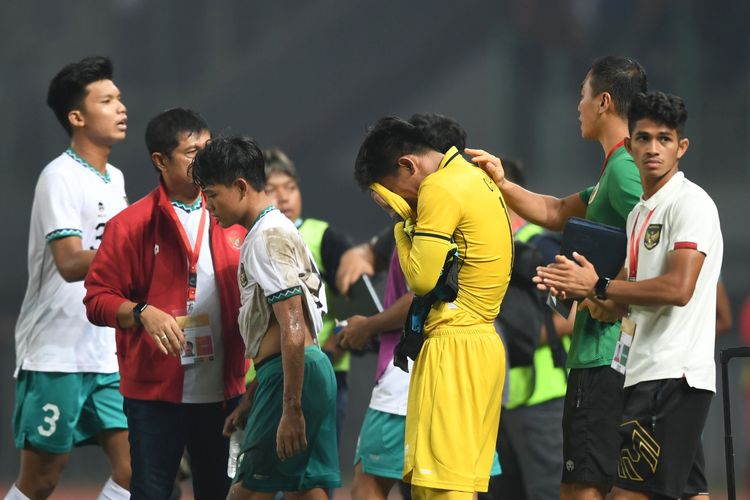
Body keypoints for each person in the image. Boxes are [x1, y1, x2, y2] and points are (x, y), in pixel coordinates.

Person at [468, 55, 647, 500]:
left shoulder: (626, 170)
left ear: (604, 102)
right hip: (598, 356)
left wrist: (600, 290)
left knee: (582, 489)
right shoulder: (613, 170)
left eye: (582, 96)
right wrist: (502, 183)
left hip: (606, 356)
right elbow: (556, 211)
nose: (578, 106)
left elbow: (655, 239)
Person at [535, 91, 721, 500]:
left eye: (664, 139)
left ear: (681, 147)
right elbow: (617, 304)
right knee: (691, 494)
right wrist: (576, 286)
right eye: (644, 138)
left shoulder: (691, 204)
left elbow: (678, 289)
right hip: (642, 371)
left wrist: (598, 285)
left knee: (625, 495)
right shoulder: (639, 212)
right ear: (630, 144)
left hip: (672, 375)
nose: (653, 148)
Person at [84, 108, 247, 498]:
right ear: (160, 161)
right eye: (193, 152)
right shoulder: (131, 224)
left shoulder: (233, 216)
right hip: (155, 396)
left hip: (225, 394)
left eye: (209, 149)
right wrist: (142, 312)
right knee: (152, 493)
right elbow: (96, 299)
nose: (205, 160)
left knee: (221, 493)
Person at [354, 117, 513, 498]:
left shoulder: (440, 187)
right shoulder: (475, 177)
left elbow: (421, 281)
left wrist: (401, 224)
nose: (404, 200)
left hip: (455, 347)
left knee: (440, 487)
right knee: (450, 484)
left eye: (394, 192)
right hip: (479, 343)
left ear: (409, 165)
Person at [8, 56, 131, 500]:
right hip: (55, 353)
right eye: (107, 100)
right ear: (77, 117)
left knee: (138, 467)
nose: (121, 107)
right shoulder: (58, 177)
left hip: (105, 353)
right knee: (41, 480)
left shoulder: (115, 178)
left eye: (118, 98)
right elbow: (70, 261)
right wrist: (135, 254)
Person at [191, 137, 340, 499]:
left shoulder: (266, 237)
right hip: (304, 371)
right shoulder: (274, 229)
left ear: (241, 187)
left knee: (246, 493)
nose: (208, 206)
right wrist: (252, 398)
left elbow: (292, 326)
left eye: (211, 194)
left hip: (290, 378)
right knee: (305, 489)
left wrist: (289, 407)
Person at [482, 158, 575, 500]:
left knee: (546, 491)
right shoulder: (490, 248)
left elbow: (576, 312)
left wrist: (523, 339)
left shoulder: (541, 245)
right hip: (502, 397)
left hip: (542, 393)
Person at [263, 148, 364, 452]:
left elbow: (359, 306)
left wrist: (332, 348)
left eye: (290, 188)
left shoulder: (324, 238)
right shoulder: (247, 239)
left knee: (314, 475)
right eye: (271, 190)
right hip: (263, 380)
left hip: (322, 375)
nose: (284, 198)